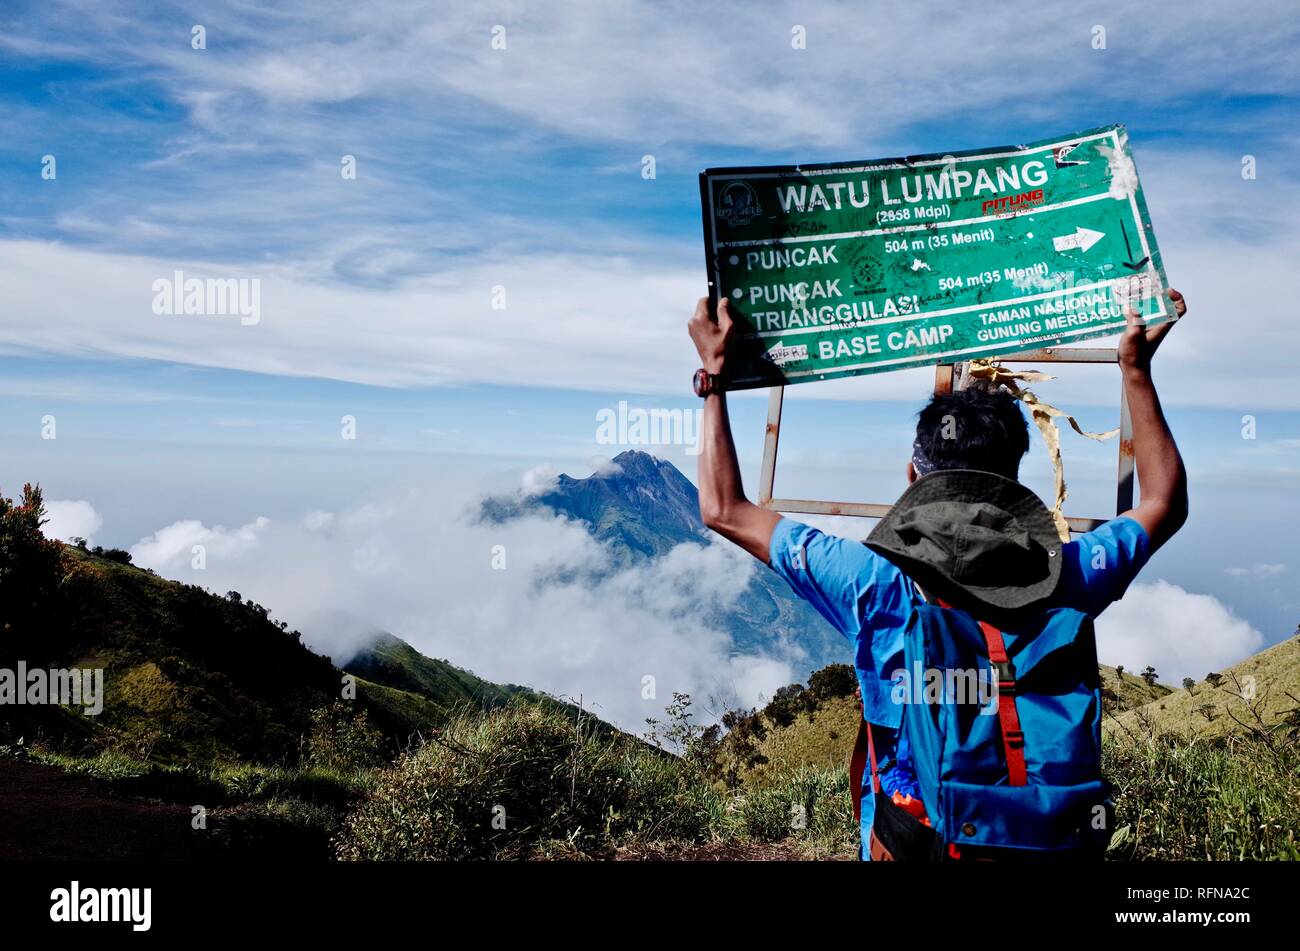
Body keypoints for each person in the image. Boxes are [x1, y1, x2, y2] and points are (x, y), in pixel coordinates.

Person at [687, 289, 1189, 859]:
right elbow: (1163, 503)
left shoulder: (872, 581)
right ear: (1014, 483)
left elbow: (722, 508)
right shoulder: (1067, 575)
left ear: (912, 476)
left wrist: (714, 377)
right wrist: (1136, 371)